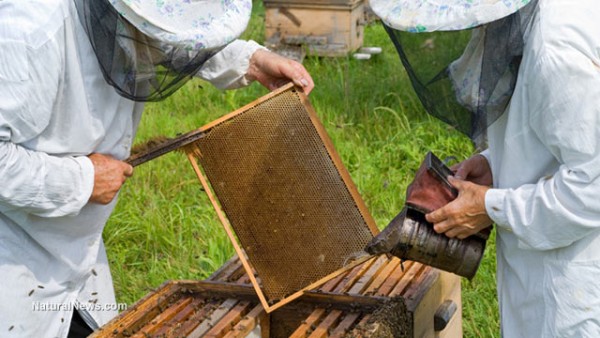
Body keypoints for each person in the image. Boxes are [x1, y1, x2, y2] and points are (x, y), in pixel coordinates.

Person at [0, 0, 313, 336]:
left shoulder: (127, 18)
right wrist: (82, 180)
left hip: (76, 254)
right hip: (15, 258)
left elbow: (165, 37)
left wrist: (250, 60)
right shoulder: (28, 33)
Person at [370, 0, 600, 336]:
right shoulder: (529, 20)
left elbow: (592, 187)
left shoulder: (555, 52)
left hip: (575, 282)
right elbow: (556, 133)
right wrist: (495, 162)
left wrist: (491, 206)